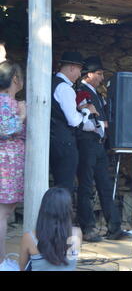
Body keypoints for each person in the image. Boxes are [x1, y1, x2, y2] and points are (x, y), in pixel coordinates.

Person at [75, 56, 126, 242]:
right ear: (89, 74)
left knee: (105, 186)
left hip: (98, 145)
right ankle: (88, 228)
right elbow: (82, 119)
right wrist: (100, 123)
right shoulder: (81, 92)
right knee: (86, 187)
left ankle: (114, 227)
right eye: (99, 74)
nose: (102, 78)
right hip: (87, 143)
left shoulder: (96, 94)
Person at [49, 51, 99, 193]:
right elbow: (74, 121)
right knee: (65, 187)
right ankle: (62, 214)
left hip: (54, 141)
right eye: (79, 70)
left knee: (59, 185)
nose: (79, 75)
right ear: (72, 67)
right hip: (65, 143)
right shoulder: (65, 88)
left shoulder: (51, 83)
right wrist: (87, 110)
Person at [0, 61, 25, 271]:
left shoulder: (11, 101)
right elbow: (5, 128)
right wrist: (23, 115)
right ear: (15, 78)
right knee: (2, 214)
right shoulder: (3, 101)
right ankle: (0, 262)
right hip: (5, 164)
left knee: (6, 213)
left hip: (11, 165)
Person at [19, 187, 82, 271]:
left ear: (43, 209)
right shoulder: (77, 233)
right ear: (68, 209)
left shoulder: (29, 237)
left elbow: (22, 268)